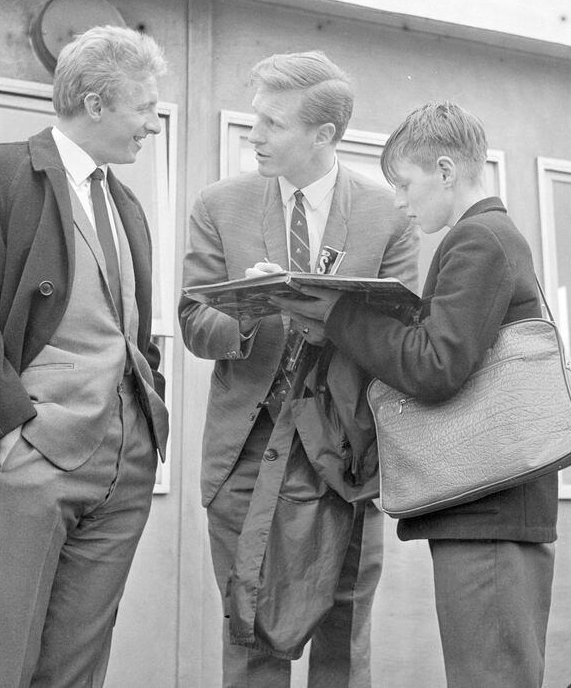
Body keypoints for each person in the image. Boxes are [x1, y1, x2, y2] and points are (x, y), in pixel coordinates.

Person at [0, 25, 170, 687]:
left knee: (79, 666)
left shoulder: (128, 205)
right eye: (145, 106)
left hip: (126, 461)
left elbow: (129, 332)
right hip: (35, 456)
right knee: (2, 661)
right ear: (94, 101)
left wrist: (145, 418)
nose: (153, 124)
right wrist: (8, 434)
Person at [275, 101, 559, 688]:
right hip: (489, 508)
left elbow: (435, 365)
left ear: (447, 170)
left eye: (404, 184)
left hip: (491, 513)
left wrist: (340, 315)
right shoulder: (485, 237)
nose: (399, 202)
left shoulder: (479, 240)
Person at [178, 50, 418, 687]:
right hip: (244, 453)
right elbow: (195, 326)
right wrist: (249, 311)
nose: (253, 135)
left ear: (324, 135)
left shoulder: (387, 215)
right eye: (255, 118)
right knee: (251, 632)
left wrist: (328, 314)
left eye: (272, 123)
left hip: (346, 453)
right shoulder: (219, 205)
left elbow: (402, 337)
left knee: (344, 633)